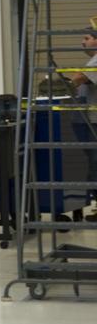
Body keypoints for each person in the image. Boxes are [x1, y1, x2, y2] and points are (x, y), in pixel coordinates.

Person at [66, 26, 97, 222]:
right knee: (91, 164)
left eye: (86, 38)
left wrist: (61, 86)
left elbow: (79, 78)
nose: (82, 42)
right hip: (87, 120)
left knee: (95, 163)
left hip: (93, 122)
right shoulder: (91, 61)